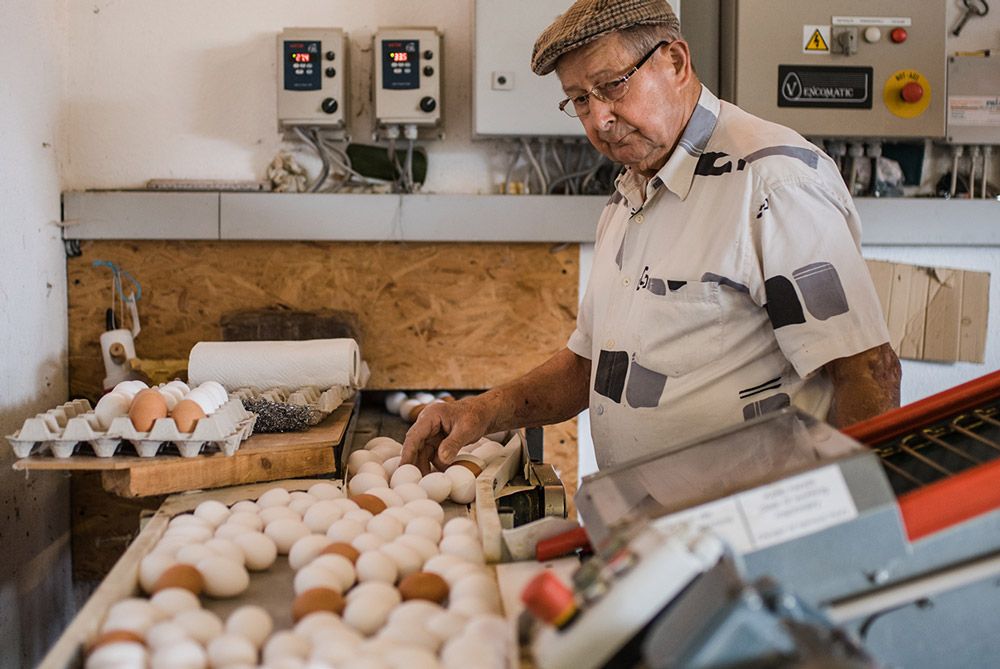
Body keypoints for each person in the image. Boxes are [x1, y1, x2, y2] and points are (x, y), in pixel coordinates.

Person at [402, 0, 900, 473]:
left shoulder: (771, 182)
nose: (599, 119)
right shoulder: (633, 191)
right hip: (651, 527)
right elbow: (589, 365)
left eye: (613, 85)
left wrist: (859, 523)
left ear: (676, 61)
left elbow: (867, 371)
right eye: (579, 99)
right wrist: (483, 411)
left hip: (750, 534)